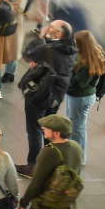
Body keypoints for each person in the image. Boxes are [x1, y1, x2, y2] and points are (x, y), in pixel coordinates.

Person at [19, 20, 77, 174]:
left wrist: (41, 37)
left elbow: (27, 53)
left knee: (35, 129)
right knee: (48, 127)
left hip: (40, 94)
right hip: (56, 96)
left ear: (58, 33)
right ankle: (48, 161)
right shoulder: (72, 50)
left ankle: (33, 165)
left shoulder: (48, 48)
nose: (48, 28)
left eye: (51, 28)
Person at [18, 114, 84, 209]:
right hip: (64, 203)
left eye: (46, 128)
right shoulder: (76, 146)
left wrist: (24, 203)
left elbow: (37, 182)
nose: (43, 128)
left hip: (45, 206)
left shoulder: (49, 152)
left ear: (56, 133)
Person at [65, 30, 105, 156]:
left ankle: (78, 156)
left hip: (80, 96)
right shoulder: (96, 53)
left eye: (76, 42)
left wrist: (67, 71)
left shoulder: (86, 62)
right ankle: (75, 152)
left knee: (77, 128)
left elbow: (79, 83)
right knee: (76, 125)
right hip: (85, 95)